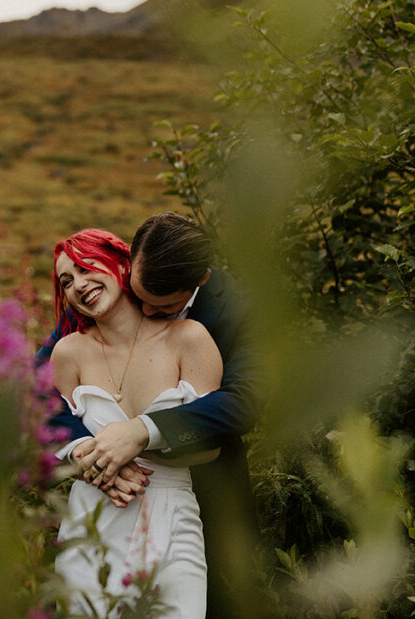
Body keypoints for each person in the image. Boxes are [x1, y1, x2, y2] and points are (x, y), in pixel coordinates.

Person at [37, 212, 262, 619]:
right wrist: (89, 455)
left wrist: (142, 432)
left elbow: (243, 402)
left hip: (195, 494)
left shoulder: (225, 316)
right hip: (99, 505)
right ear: (130, 268)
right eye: (66, 280)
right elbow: (35, 395)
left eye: (160, 304)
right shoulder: (76, 339)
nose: (144, 308)